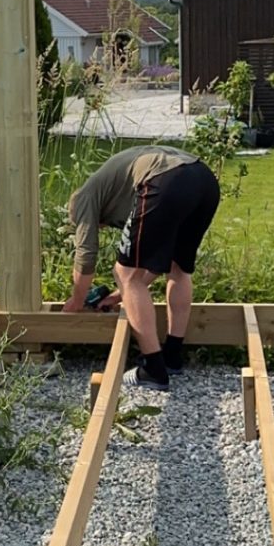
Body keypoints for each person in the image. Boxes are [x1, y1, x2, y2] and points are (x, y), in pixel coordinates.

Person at [63, 146, 220, 389]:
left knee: (124, 273)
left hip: (166, 178)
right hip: (203, 180)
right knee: (178, 268)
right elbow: (159, 259)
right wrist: (119, 295)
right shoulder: (117, 191)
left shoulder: (83, 200)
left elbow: (86, 257)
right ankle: (171, 356)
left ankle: (153, 369)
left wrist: (76, 302)